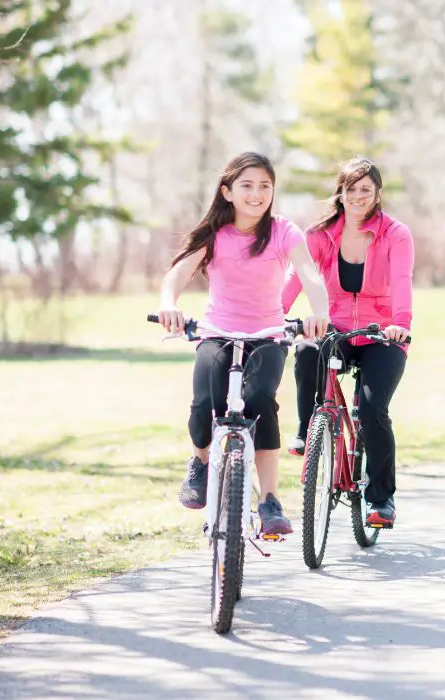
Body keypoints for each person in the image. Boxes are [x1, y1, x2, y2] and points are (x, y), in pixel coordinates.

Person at [156, 151, 330, 536]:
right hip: (217, 332)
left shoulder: (284, 231)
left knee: (261, 402)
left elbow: (310, 275)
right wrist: (169, 305)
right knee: (206, 401)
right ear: (228, 191)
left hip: (268, 335)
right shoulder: (214, 235)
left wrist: (319, 312)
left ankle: (269, 500)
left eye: (265, 186)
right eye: (247, 186)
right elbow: (177, 275)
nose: (256, 194)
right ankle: (201, 463)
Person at [282, 157, 413, 529]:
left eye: (366, 190)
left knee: (373, 411)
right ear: (340, 192)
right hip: (334, 326)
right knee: (307, 349)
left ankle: (381, 499)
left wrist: (400, 324)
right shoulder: (320, 234)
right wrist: (274, 315)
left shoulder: (395, 234)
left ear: (377, 193)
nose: (358, 196)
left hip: (381, 333)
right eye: (351, 189)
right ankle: (309, 429)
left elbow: (402, 280)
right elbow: (296, 279)